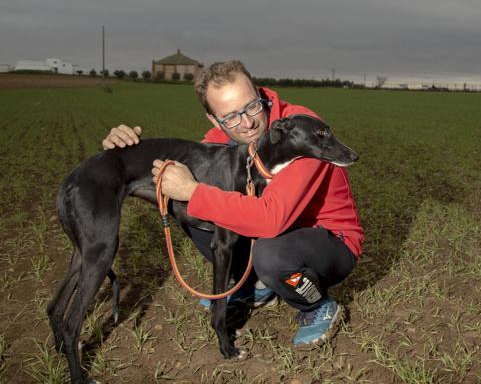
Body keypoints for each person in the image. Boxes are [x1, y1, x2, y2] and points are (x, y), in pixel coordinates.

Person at [102, 60, 363, 347]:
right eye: (231, 117)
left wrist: (193, 191)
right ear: (215, 121)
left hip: (327, 240)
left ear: (261, 93)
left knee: (269, 252)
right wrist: (124, 152)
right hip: (275, 231)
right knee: (191, 205)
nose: (247, 123)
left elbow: (270, 219)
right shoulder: (225, 137)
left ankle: (317, 305)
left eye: (252, 106)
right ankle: (255, 284)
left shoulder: (304, 133)